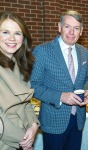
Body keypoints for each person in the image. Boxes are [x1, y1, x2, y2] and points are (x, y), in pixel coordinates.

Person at [30, 10, 88, 150]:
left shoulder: (84, 52)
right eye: (67, 26)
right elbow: (33, 85)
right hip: (53, 120)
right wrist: (60, 96)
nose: (71, 32)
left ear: (81, 31)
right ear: (59, 27)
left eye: (76, 28)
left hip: (78, 120)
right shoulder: (43, 51)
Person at [0, 11, 39, 150]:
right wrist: (23, 140)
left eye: (17, 33)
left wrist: (34, 125)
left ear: (24, 38)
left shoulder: (19, 64)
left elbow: (25, 102)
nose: (12, 38)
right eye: (5, 32)